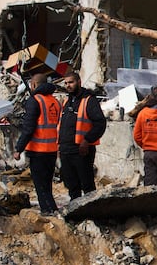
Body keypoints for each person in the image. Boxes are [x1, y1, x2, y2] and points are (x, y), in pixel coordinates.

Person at [14, 72, 61, 215]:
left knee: (40, 185)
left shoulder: (34, 101)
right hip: (52, 150)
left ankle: (47, 211)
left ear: (34, 85)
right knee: (47, 183)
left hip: (38, 150)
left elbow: (28, 128)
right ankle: (52, 208)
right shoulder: (55, 102)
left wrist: (19, 149)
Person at [59, 72, 107, 200]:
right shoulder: (66, 101)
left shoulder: (89, 100)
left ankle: (91, 212)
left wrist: (87, 140)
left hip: (81, 150)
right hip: (66, 150)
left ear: (79, 82)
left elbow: (100, 123)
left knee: (87, 184)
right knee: (71, 184)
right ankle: (76, 212)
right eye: (66, 83)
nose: (68, 85)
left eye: (71, 82)